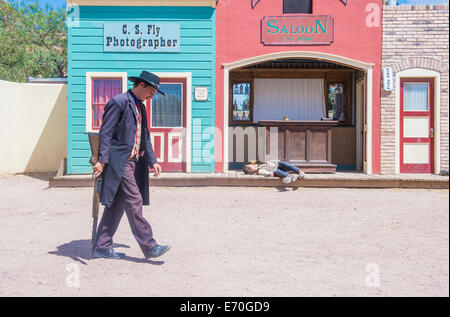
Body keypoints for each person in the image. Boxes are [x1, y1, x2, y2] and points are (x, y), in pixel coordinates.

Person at [91, 71, 170, 260]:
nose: (151, 96)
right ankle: (149, 246)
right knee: (134, 201)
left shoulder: (140, 107)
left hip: (134, 163)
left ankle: (101, 246)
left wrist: (153, 160)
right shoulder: (119, 102)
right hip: (120, 163)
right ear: (141, 85)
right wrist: (101, 161)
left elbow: (145, 136)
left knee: (117, 205)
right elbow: (106, 133)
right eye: (151, 92)